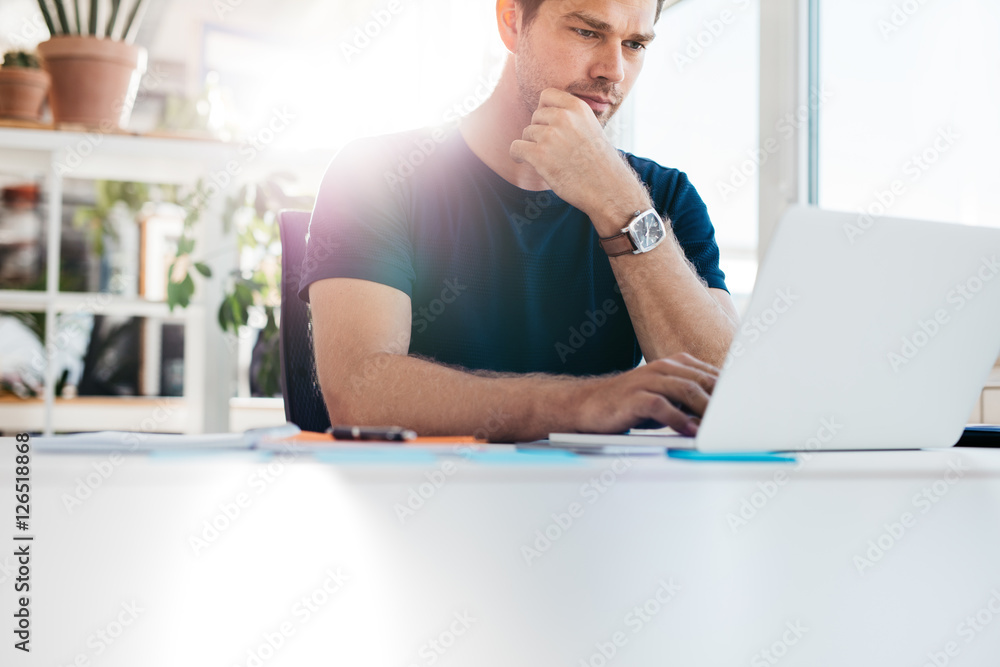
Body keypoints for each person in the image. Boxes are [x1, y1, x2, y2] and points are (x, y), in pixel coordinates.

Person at [299, 0, 740, 441]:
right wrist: (584, 403)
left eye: (634, 44)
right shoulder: (375, 174)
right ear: (511, 21)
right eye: (587, 32)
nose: (614, 70)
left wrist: (621, 206)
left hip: (602, 502)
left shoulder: (662, 198)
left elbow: (727, 396)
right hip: (420, 501)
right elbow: (359, 394)